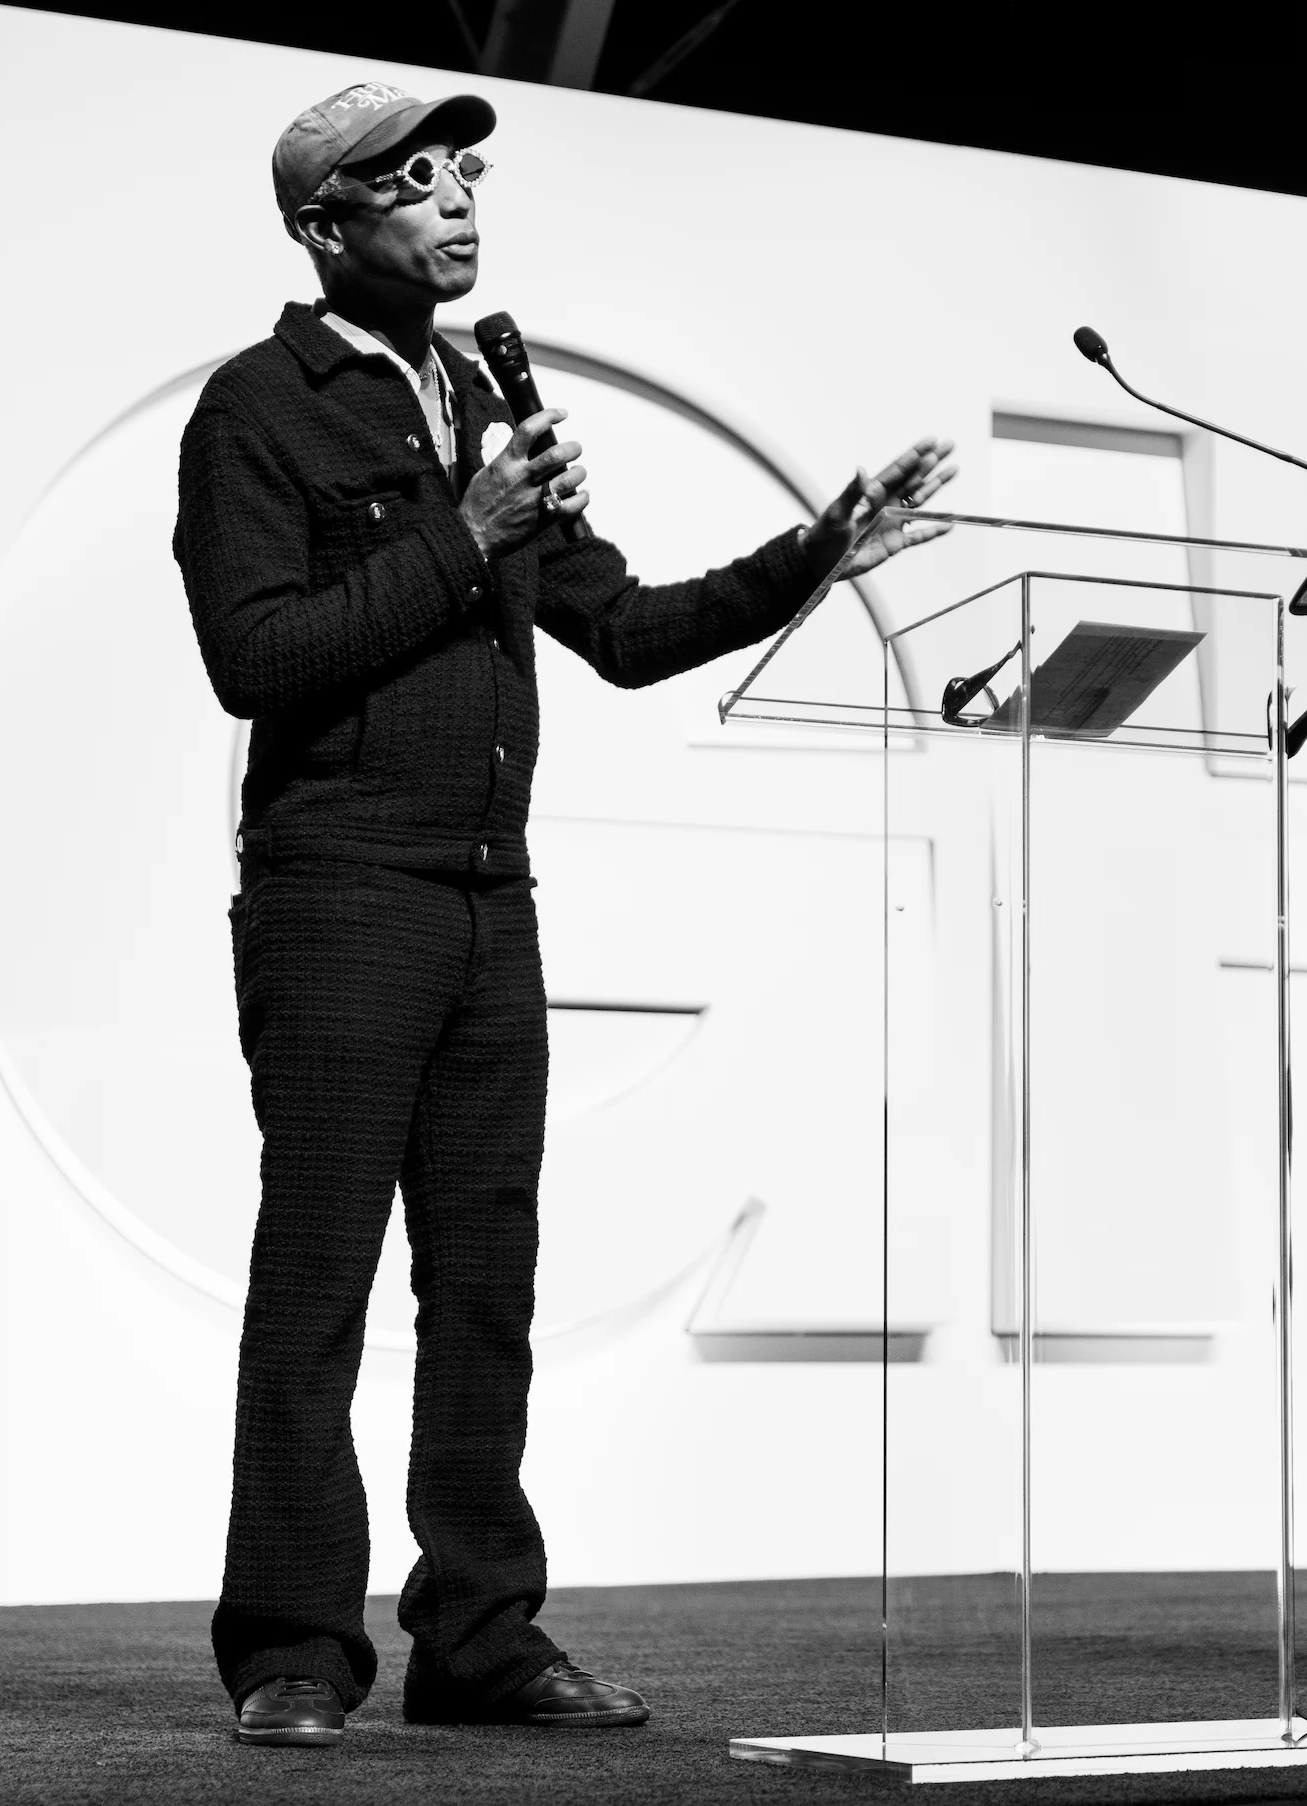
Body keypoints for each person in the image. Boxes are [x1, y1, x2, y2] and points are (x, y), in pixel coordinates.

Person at [174, 82, 956, 1748]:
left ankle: (479, 1631)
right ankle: (292, 1648)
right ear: (325, 227)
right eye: (411, 180)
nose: (456, 200)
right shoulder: (261, 408)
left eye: (466, 172)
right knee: (317, 1278)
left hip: (485, 905)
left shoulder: (480, 397)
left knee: (489, 1280)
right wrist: (465, 533)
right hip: (336, 896)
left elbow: (624, 625)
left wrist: (822, 550)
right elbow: (258, 657)